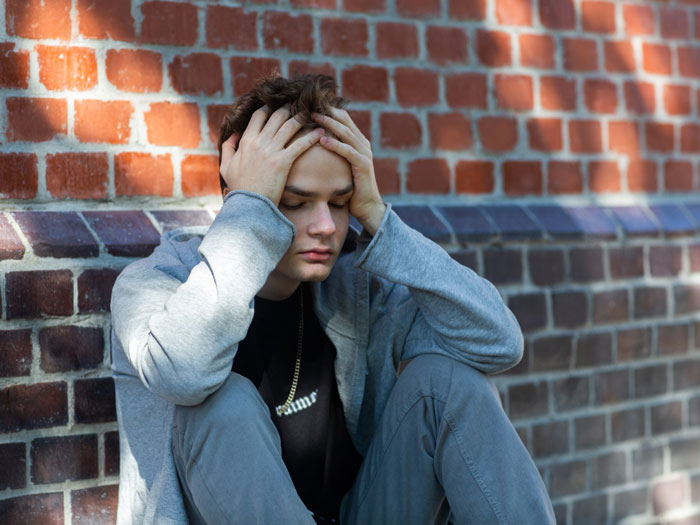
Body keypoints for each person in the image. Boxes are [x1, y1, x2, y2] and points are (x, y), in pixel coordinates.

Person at [110, 74, 555, 524]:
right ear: (240, 199)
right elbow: (182, 374)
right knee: (221, 404)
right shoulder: (153, 286)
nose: (324, 225)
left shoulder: (352, 290)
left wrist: (378, 218)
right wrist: (250, 212)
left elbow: (498, 343)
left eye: (339, 202)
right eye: (294, 202)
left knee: (447, 383)